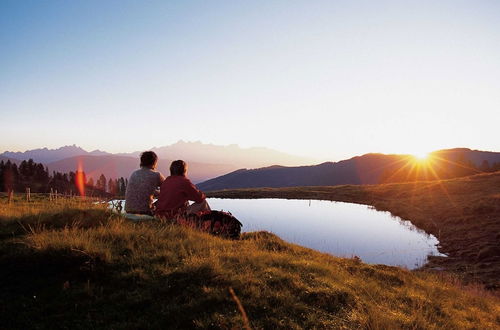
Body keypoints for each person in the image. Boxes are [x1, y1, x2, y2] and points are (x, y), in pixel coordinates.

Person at [125, 151, 165, 215]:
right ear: (154, 162)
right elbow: (169, 189)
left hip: (128, 210)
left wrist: (156, 192)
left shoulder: (134, 173)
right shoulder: (156, 175)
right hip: (145, 211)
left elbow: (143, 189)